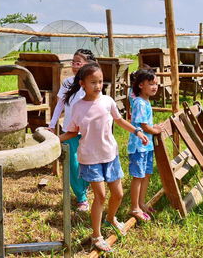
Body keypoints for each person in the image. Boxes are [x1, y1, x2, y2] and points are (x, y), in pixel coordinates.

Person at [58, 63, 148, 253]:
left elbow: (120, 120)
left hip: (110, 155)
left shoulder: (108, 101)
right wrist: (55, 139)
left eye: (100, 81)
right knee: (100, 196)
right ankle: (96, 235)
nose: (98, 86)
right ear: (82, 83)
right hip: (90, 158)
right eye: (93, 82)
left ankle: (111, 218)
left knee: (118, 194)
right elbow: (72, 132)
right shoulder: (78, 107)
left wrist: (137, 131)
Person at [47, 49, 96, 212]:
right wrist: (52, 123)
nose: (74, 65)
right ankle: (82, 198)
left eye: (78, 62)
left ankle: (86, 186)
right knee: (73, 164)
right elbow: (60, 104)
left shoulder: (93, 83)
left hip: (88, 130)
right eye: (73, 62)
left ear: (88, 65)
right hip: (70, 130)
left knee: (87, 162)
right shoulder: (68, 82)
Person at [128, 69, 163, 222]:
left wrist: (153, 127)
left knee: (146, 175)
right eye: (151, 84)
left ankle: (141, 203)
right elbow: (144, 126)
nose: (155, 87)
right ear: (141, 85)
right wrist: (156, 130)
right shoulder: (139, 102)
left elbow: (147, 124)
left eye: (156, 83)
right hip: (139, 146)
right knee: (138, 176)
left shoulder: (146, 101)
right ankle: (134, 207)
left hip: (146, 146)